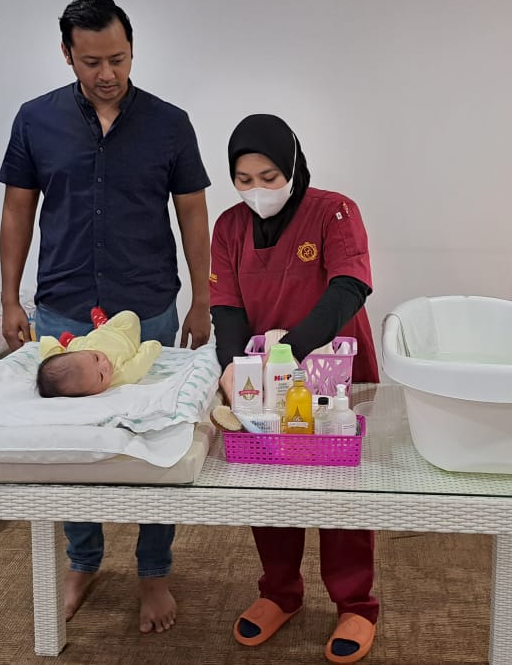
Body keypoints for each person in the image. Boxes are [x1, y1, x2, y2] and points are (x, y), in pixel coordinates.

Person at [0, 0, 211, 632]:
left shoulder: (170, 124)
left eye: (117, 58)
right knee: (70, 444)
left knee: (154, 441)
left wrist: (203, 297)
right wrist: (10, 297)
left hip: (148, 307)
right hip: (63, 307)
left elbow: (193, 211)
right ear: (67, 55)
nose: (107, 73)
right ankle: (82, 561)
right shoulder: (35, 120)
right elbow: (17, 209)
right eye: (92, 61)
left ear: (133, 50)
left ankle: (154, 572)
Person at [210, 113, 380, 664]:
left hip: (331, 367)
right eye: (244, 180)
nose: (257, 190)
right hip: (265, 374)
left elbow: (349, 286)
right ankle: (279, 591)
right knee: (268, 480)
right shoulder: (229, 228)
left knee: (341, 488)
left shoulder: (333, 211)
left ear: (292, 166)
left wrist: (293, 348)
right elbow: (226, 306)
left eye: (269, 177)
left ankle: (355, 603)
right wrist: (234, 366)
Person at [36, 309, 163, 398]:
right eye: (101, 376)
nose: (104, 365)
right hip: (124, 337)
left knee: (80, 343)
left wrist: (72, 345)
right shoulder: (122, 375)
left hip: (99, 336)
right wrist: (151, 346)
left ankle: (82, 335)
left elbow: (74, 351)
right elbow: (141, 361)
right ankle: (100, 326)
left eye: (96, 358)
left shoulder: (81, 354)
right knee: (130, 317)